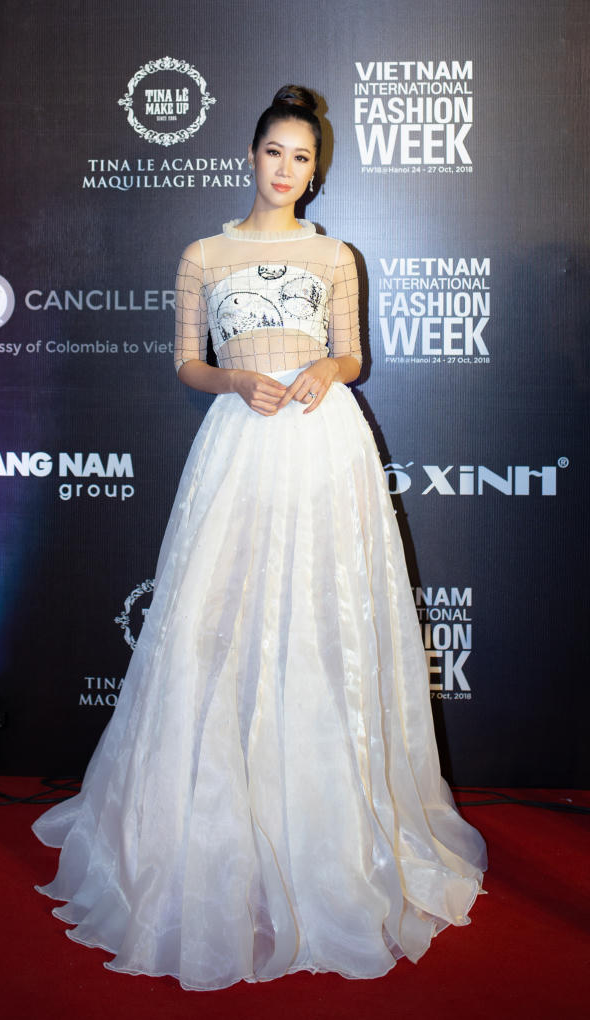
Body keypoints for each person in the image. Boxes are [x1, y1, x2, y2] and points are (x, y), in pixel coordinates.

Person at [33, 85, 487, 991]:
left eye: (302, 158)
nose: (286, 169)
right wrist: (237, 382)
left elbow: (354, 355)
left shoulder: (334, 255)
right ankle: (211, 824)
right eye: (275, 152)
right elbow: (187, 363)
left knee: (326, 622)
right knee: (217, 623)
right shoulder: (203, 254)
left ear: (315, 173)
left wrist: (324, 368)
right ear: (251, 155)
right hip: (238, 444)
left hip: (324, 443)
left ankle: (333, 832)